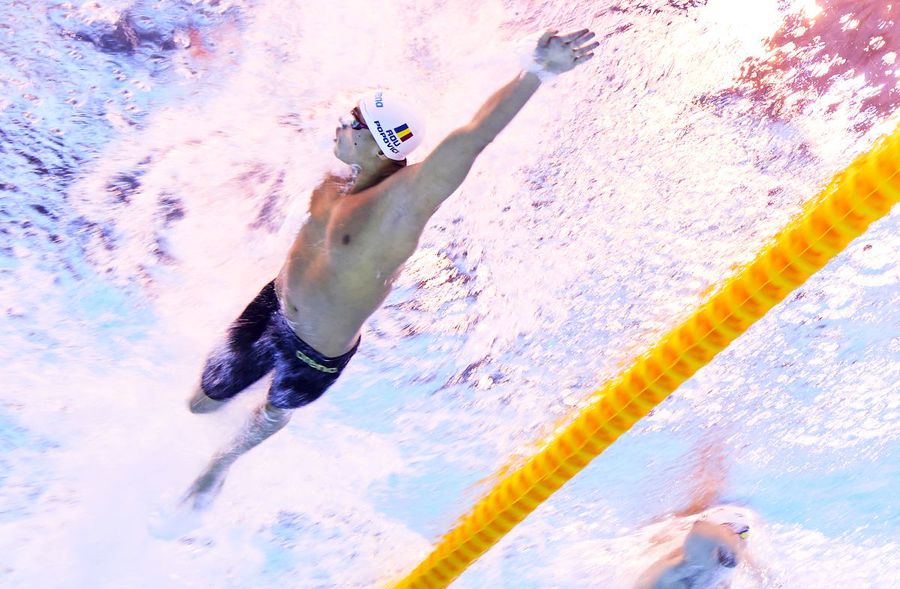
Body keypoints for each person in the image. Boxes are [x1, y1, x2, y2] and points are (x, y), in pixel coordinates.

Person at [182, 28, 599, 510]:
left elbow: (470, 140)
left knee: (272, 413)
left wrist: (535, 73)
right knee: (198, 404)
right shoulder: (337, 180)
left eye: (352, 122)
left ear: (379, 144)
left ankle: (222, 464)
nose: (340, 124)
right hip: (269, 307)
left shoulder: (402, 203)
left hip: (313, 352)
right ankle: (215, 435)